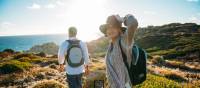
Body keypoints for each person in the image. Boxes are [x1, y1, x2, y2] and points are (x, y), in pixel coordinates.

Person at [99, 14, 138, 88]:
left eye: (114, 27)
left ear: (119, 29)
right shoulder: (111, 47)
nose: (110, 30)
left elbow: (133, 24)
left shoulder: (124, 42)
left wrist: (124, 18)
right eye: (108, 28)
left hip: (124, 85)